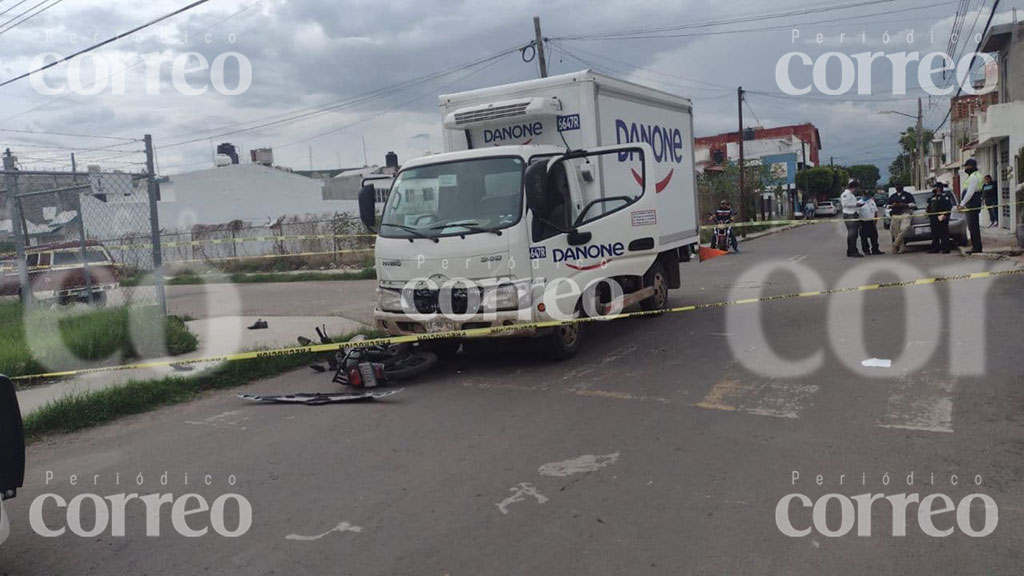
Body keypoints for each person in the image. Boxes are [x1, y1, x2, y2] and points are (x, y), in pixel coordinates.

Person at [959, 158, 984, 253]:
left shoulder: (974, 176)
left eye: (967, 166)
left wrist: (962, 204)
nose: (966, 168)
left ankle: (977, 248)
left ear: (972, 166)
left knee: (973, 227)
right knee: (972, 227)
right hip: (972, 203)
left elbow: (970, 192)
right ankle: (976, 247)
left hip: (972, 203)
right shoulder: (975, 175)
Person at [888, 185, 917, 254]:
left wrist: (904, 205)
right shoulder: (893, 196)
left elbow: (913, 204)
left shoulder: (908, 195)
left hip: (905, 213)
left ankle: (895, 245)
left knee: (904, 229)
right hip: (895, 215)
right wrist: (892, 206)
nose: (898, 187)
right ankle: (901, 248)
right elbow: (886, 205)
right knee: (895, 232)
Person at [840, 179, 865, 258]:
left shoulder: (850, 194)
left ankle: (851, 250)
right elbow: (844, 204)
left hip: (853, 214)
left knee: (853, 234)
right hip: (849, 215)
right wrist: (856, 204)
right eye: (856, 188)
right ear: (853, 187)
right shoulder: (846, 194)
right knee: (852, 234)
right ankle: (853, 251)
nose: (857, 190)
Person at [927, 182, 954, 254]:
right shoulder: (932, 197)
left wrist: (945, 215)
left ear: (939, 188)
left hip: (942, 216)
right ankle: (935, 248)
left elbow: (949, 207)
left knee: (944, 233)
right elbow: (929, 206)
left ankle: (945, 248)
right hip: (934, 217)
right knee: (934, 234)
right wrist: (928, 214)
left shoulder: (945, 196)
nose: (934, 188)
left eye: (935, 187)